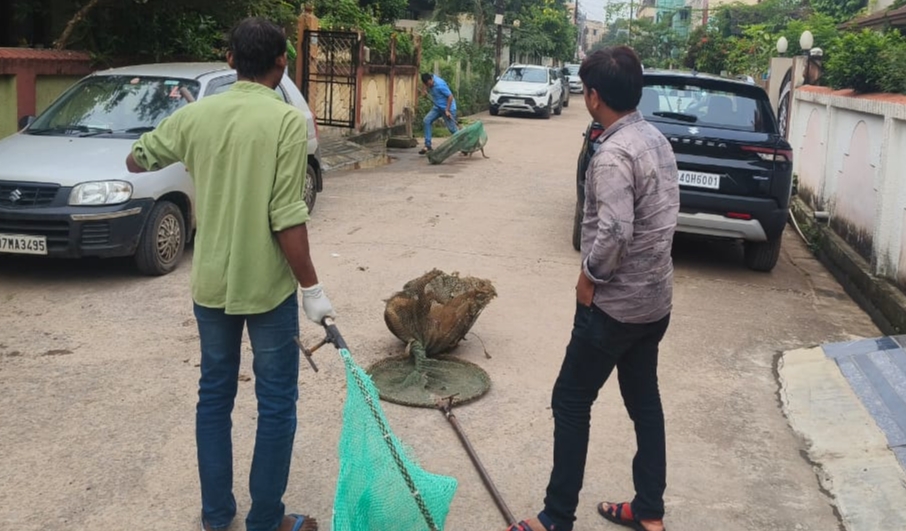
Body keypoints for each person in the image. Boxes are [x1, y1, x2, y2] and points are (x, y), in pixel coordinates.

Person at [125, 17, 334, 531]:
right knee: (277, 403)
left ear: (230, 60)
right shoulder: (286, 122)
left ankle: (217, 518)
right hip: (266, 289)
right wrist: (312, 288)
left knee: (214, 396)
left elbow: (136, 159)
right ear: (283, 63)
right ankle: (267, 520)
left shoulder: (198, 116)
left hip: (211, 285)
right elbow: (286, 215)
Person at [505, 46, 679, 531]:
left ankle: (556, 517)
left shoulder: (612, 154)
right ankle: (649, 512)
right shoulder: (656, 140)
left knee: (571, 399)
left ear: (595, 96)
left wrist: (589, 278)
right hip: (654, 303)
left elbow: (616, 231)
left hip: (615, 307)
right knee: (645, 401)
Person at [419, 72, 459, 155]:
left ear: (431, 79)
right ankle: (428, 145)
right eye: (426, 84)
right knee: (427, 121)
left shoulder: (440, 85)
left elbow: (450, 96)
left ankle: (465, 146)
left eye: (429, 84)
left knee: (452, 129)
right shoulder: (429, 79)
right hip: (437, 107)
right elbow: (424, 85)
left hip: (448, 108)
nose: (428, 86)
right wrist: (424, 90)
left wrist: (447, 110)